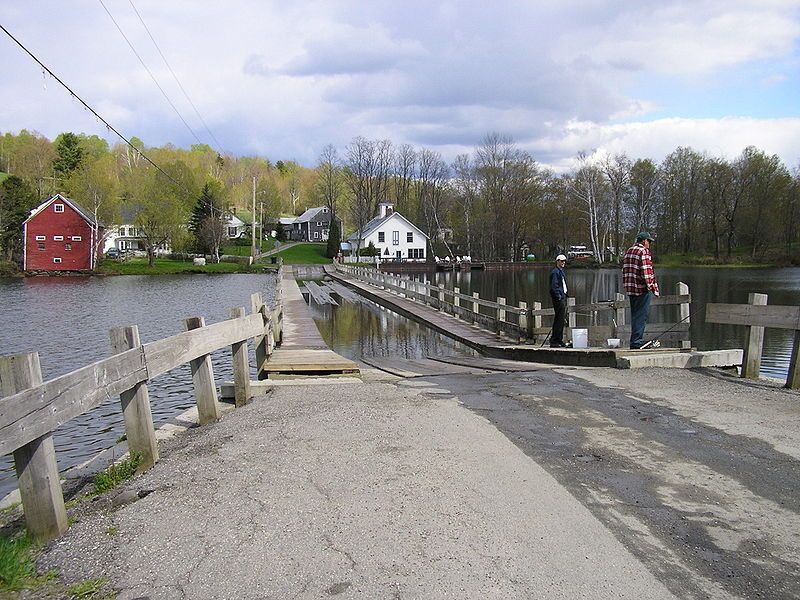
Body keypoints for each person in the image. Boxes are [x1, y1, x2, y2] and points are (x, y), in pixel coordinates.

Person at [622, 232, 660, 349]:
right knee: (641, 316)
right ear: (644, 241)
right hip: (641, 289)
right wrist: (654, 288)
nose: (650, 244)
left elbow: (624, 270)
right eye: (649, 241)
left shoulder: (629, 251)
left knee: (635, 315)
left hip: (630, 288)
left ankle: (635, 341)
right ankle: (636, 342)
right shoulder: (643, 251)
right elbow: (646, 272)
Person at [549, 254, 568, 347]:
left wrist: (565, 295)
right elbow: (554, 287)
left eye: (564, 261)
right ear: (557, 262)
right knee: (559, 320)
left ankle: (559, 339)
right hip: (558, 299)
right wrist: (559, 296)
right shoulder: (555, 272)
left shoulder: (561, 272)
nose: (563, 262)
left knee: (561, 320)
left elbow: (563, 285)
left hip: (562, 297)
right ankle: (555, 340)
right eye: (561, 261)